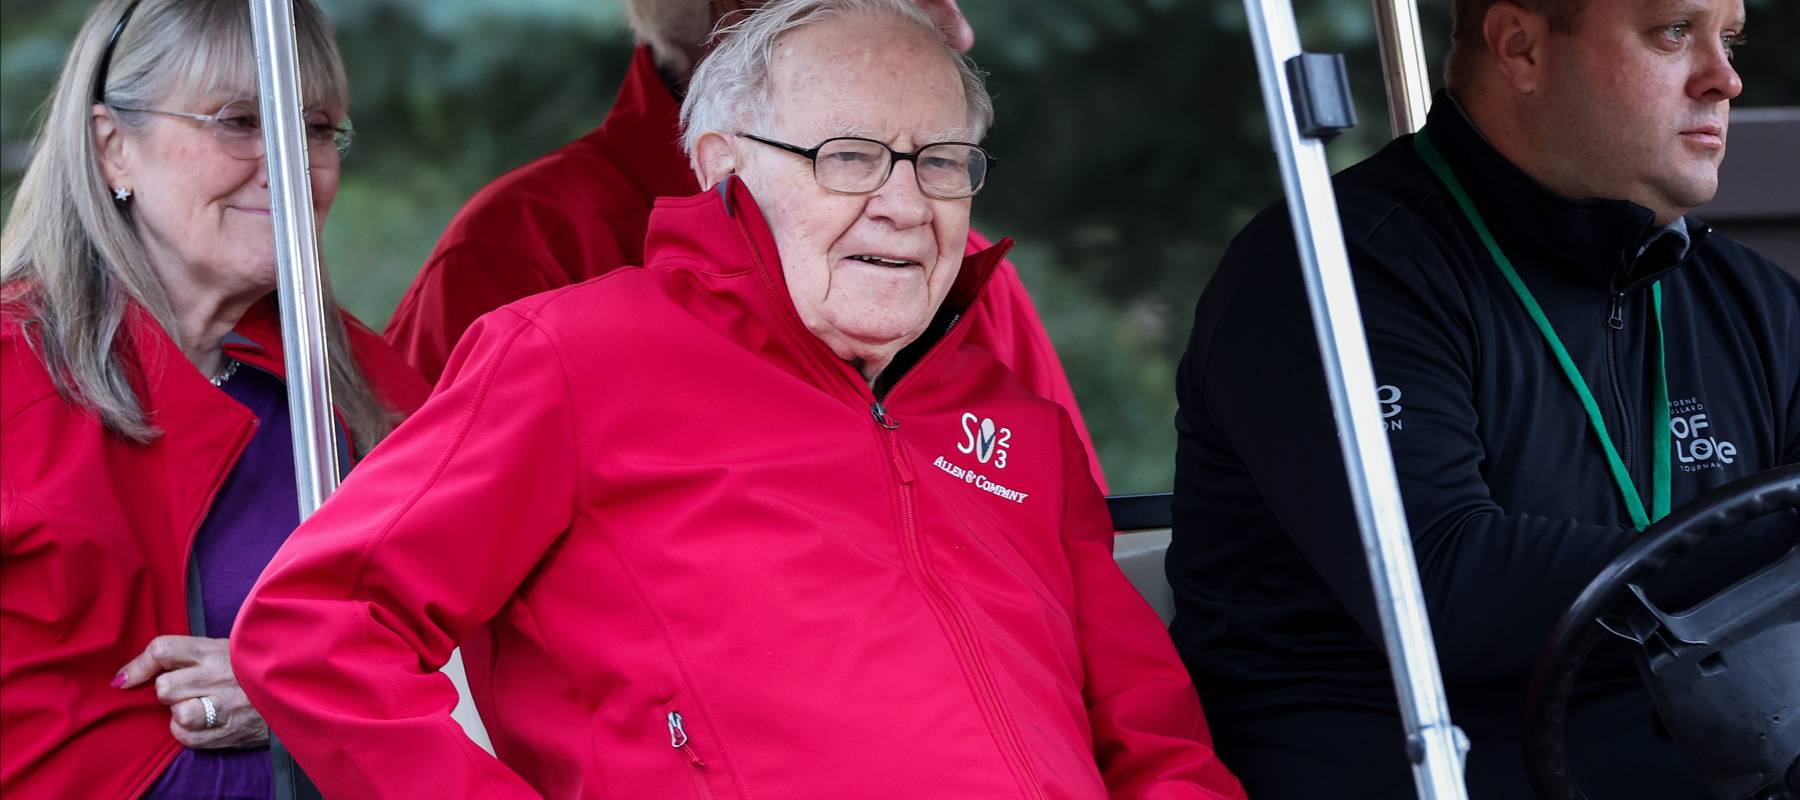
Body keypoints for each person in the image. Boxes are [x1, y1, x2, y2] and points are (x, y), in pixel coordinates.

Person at [230, 1, 1244, 797]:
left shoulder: (1017, 424)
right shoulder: (573, 356)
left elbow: (1152, 733)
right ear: (721, 167)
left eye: (940, 162)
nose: (904, 202)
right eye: (850, 157)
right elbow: (319, 624)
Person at [1167, 0, 1799, 796]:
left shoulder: (1750, 300)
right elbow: (1440, 587)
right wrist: (1775, 542)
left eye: (1728, 38)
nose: (1724, 79)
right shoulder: (1337, 269)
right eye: (1674, 32)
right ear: (1521, 48)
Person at [381, 0, 1109, 491]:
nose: (957, 27)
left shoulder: (953, 268)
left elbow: (1078, 557)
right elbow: (395, 596)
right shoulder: (524, 252)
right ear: (742, 12)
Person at [0, 1, 429, 798]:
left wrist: (302, 686)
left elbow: (474, 651)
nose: (287, 165)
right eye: (238, 121)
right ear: (112, 148)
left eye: (315, 129)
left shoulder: (370, 388)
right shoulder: (11, 375)